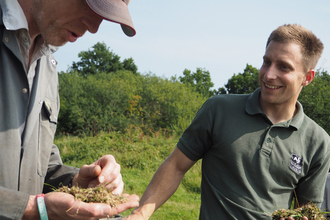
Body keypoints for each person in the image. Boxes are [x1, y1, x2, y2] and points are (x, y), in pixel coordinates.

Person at [126, 24, 330, 220]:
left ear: (307, 78)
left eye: (284, 67)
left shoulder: (318, 142)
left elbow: (307, 210)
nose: (269, 74)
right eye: (267, 62)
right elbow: (176, 166)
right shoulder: (219, 109)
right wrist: (139, 214)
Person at [0, 0, 139, 219]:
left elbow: (40, 165)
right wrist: (33, 209)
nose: (94, 27)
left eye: (105, 14)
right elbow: (35, 205)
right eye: (92, 5)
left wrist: (78, 182)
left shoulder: (47, 64)